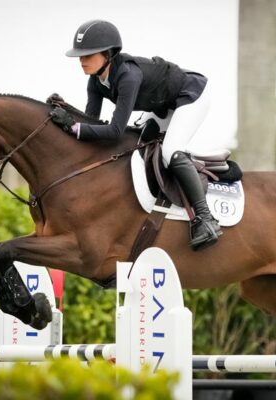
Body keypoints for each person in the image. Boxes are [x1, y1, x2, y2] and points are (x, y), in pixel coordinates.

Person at [49, 19, 221, 251]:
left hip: (191, 94)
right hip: (162, 104)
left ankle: (205, 219)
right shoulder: (95, 82)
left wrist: (73, 126)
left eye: (88, 55)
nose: (82, 61)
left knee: (170, 152)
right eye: (80, 56)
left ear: (108, 54)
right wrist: (65, 112)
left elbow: (114, 131)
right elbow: (91, 123)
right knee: (138, 141)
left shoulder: (128, 76)